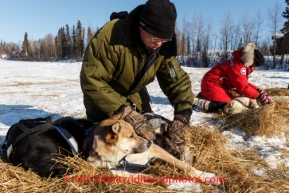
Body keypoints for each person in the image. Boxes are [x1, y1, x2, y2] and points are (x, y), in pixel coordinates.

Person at [80, 0, 194, 156]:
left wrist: (182, 117)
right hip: (105, 104)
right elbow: (92, 81)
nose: (159, 44)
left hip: (136, 100)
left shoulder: (162, 45)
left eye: (164, 39)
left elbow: (177, 82)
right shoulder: (110, 37)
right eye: (154, 38)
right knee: (113, 148)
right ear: (141, 26)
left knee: (155, 139)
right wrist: (125, 112)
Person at [194, 42, 273, 112]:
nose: (256, 68)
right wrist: (260, 96)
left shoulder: (241, 64)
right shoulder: (238, 67)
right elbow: (243, 87)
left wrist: (258, 90)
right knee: (224, 105)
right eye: (256, 65)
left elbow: (244, 83)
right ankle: (196, 102)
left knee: (229, 100)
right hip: (211, 84)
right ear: (251, 62)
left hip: (219, 84)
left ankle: (206, 96)